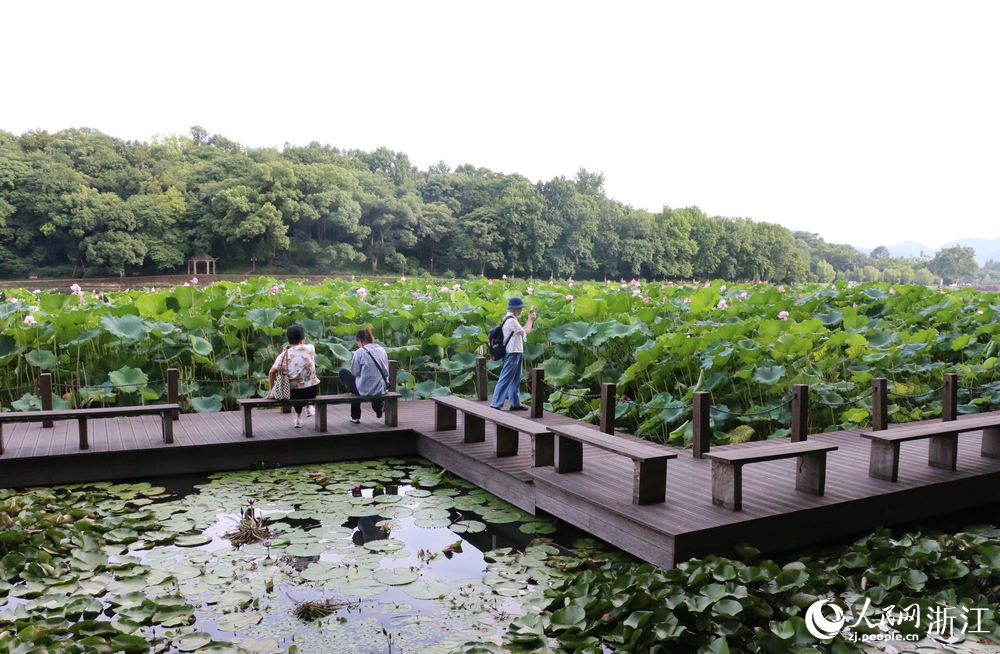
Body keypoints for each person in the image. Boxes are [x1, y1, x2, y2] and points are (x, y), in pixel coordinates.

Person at [267, 325, 320, 428]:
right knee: (307, 382)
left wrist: (271, 390)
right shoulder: (310, 348)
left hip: (291, 393)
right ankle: (308, 407)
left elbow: (272, 372)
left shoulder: (283, 355)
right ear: (301, 338)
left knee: (295, 388)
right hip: (311, 391)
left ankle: (298, 419)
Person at [490, 297, 536, 411]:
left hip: (516, 352)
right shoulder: (511, 320)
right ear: (514, 309)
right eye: (520, 308)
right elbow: (525, 333)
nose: (521, 310)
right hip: (512, 352)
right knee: (505, 377)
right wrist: (530, 320)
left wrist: (529, 321)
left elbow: (522, 331)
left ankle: (515, 403)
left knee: (516, 379)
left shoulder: (512, 319)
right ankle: (496, 404)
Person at [339, 326, 389, 424]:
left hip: (363, 390)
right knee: (373, 381)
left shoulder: (359, 352)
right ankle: (378, 408)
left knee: (343, 373)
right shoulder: (382, 350)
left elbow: (354, 372)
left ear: (360, 341)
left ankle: (355, 417)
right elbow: (385, 371)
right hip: (381, 388)